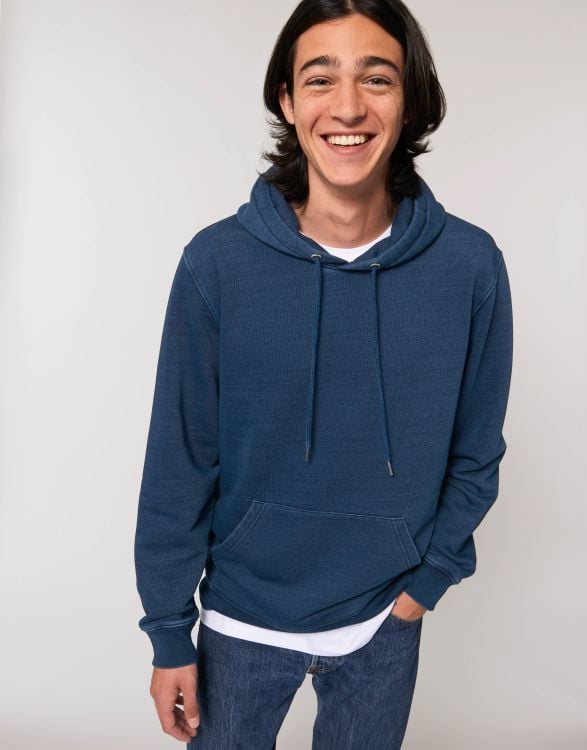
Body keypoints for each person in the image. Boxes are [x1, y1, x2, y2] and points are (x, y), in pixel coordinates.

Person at [133, 1, 514, 747]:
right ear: (287, 100)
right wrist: (169, 631)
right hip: (240, 619)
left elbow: (477, 453)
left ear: (409, 100)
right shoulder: (217, 263)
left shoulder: (470, 267)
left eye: (377, 78)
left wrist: (426, 585)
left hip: (385, 618)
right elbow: (179, 461)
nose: (347, 108)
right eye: (320, 79)